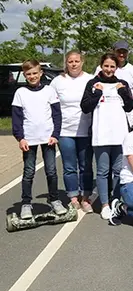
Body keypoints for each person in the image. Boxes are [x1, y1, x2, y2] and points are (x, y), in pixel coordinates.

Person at [81, 53, 133, 220]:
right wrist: (97, 94)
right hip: (101, 135)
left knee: (118, 171)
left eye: (112, 66)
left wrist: (124, 92)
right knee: (103, 172)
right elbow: (85, 107)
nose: (109, 69)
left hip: (120, 135)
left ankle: (116, 201)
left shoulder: (122, 84)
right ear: (101, 66)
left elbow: (130, 106)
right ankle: (104, 204)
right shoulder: (92, 84)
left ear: (116, 68)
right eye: (106, 66)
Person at [11, 60, 64, 220]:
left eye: (35, 73)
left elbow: (57, 115)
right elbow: (17, 118)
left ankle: (54, 200)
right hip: (29, 139)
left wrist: (55, 134)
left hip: (48, 138)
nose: (32, 76)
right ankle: (26, 204)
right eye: (29, 74)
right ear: (25, 76)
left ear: (41, 73)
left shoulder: (49, 91)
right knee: (29, 172)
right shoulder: (21, 92)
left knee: (51, 171)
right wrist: (20, 138)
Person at [50, 51, 94, 212]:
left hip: (85, 130)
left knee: (86, 166)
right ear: (66, 63)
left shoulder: (89, 79)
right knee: (69, 166)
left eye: (76, 61)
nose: (74, 64)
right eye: (70, 61)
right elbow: (50, 105)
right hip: (65, 131)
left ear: (82, 62)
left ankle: (86, 197)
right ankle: (73, 197)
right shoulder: (57, 81)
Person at [95, 40, 133, 129]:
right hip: (105, 117)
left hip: (128, 117)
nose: (121, 55)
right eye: (119, 52)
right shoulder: (100, 69)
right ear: (113, 51)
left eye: (124, 52)